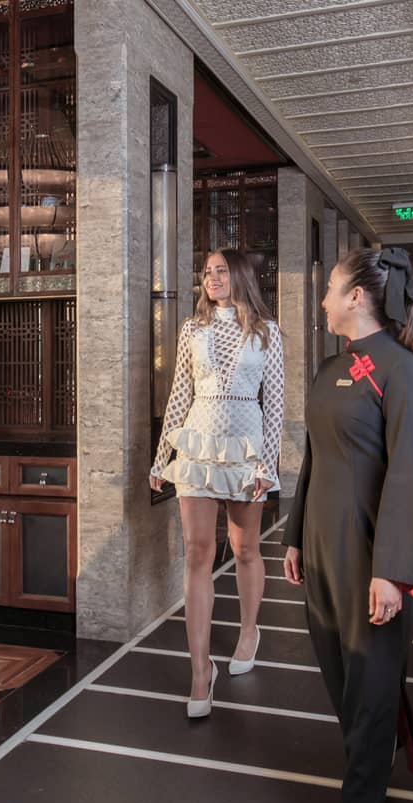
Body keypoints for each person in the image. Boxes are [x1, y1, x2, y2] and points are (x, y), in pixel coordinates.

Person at [282, 247, 413, 803]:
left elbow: (404, 475)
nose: (323, 298)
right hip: (323, 548)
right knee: (345, 686)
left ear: (357, 297)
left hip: (372, 553)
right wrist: (295, 533)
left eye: (329, 288)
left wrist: (392, 573)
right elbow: (313, 455)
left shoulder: (401, 371)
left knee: (372, 690)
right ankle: (371, 785)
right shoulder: (332, 369)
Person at [149, 248, 285, 718]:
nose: (211, 278)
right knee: (198, 553)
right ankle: (200, 672)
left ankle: (249, 631)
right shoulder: (193, 329)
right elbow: (180, 394)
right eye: (207, 272)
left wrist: (268, 466)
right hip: (198, 446)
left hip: (246, 447)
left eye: (220, 271)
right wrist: (163, 454)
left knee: (246, 549)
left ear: (241, 275)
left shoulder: (267, 332)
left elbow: (277, 404)